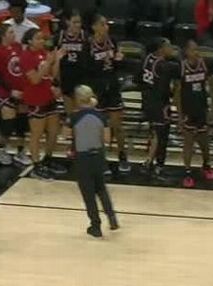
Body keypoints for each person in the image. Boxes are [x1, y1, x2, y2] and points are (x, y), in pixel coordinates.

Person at [71, 85, 120, 238]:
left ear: (77, 99)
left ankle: (95, 225)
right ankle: (112, 217)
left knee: (88, 194)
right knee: (101, 188)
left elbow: (65, 134)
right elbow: (107, 138)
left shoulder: (74, 117)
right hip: (98, 156)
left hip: (82, 158)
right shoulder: (101, 116)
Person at [87, 15, 130, 173]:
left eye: (106, 24)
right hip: (97, 89)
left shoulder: (113, 42)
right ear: (94, 27)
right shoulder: (88, 45)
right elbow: (85, 68)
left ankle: (122, 156)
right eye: (102, 24)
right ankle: (101, 159)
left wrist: (119, 60)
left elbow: (119, 65)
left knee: (118, 126)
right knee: (99, 127)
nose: (106, 27)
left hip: (112, 86)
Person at [19, 29, 62, 180]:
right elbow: (35, 79)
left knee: (54, 131)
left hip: (49, 97)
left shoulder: (44, 53)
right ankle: (36, 165)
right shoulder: (25, 57)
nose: (42, 41)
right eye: (38, 38)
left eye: (43, 38)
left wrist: (57, 60)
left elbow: (52, 75)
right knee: (36, 134)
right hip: (35, 99)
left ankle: (48, 159)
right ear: (29, 41)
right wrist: (48, 62)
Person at [0, 25, 31, 167]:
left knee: (21, 123)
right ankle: (1, 148)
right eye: (11, 32)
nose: (14, 34)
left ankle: (20, 151)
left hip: (21, 90)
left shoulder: (18, 47)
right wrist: (10, 90)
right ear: (3, 35)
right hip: (6, 92)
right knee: (8, 123)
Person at [178, 39, 213, 188]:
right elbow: (177, 92)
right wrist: (180, 114)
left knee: (204, 142)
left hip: (201, 108)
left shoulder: (205, 64)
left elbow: (212, 85)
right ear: (186, 52)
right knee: (188, 143)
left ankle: (206, 165)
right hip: (188, 109)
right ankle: (187, 172)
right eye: (193, 49)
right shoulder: (181, 67)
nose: (196, 52)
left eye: (197, 49)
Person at [139, 39, 179, 180]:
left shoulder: (146, 59)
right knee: (162, 136)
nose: (172, 48)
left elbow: (137, 79)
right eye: (169, 46)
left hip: (147, 100)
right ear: (161, 49)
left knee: (155, 134)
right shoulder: (163, 66)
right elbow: (164, 90)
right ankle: (158, 168)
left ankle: (148, 162)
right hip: (159, 104)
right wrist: (171, 94)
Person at [55, 10, 86, 163]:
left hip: (83, 80)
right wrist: (56, 82)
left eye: (79, 22)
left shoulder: (85, 36)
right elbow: (54, 60)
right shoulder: (59, 37)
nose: (77, 25)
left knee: (82, 115)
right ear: (67, 22)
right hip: (67, 80)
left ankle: (81, 146)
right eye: (74, 22)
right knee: (72, 116)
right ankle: (74, 146)